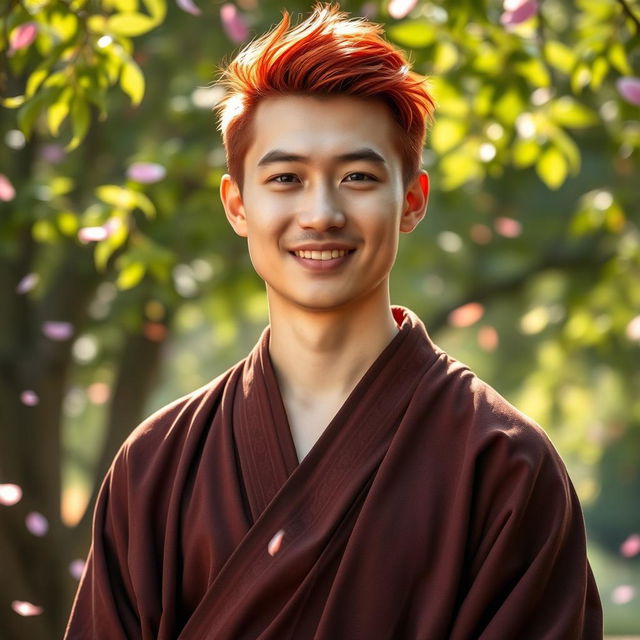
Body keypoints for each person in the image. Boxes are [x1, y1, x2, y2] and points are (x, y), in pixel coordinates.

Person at [65, 4, 603, 638]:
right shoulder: (157, 465)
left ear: (411, 201)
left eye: (356, 176)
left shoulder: (502, 463)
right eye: (286, 177)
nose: (320, 213)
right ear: (238, 204)